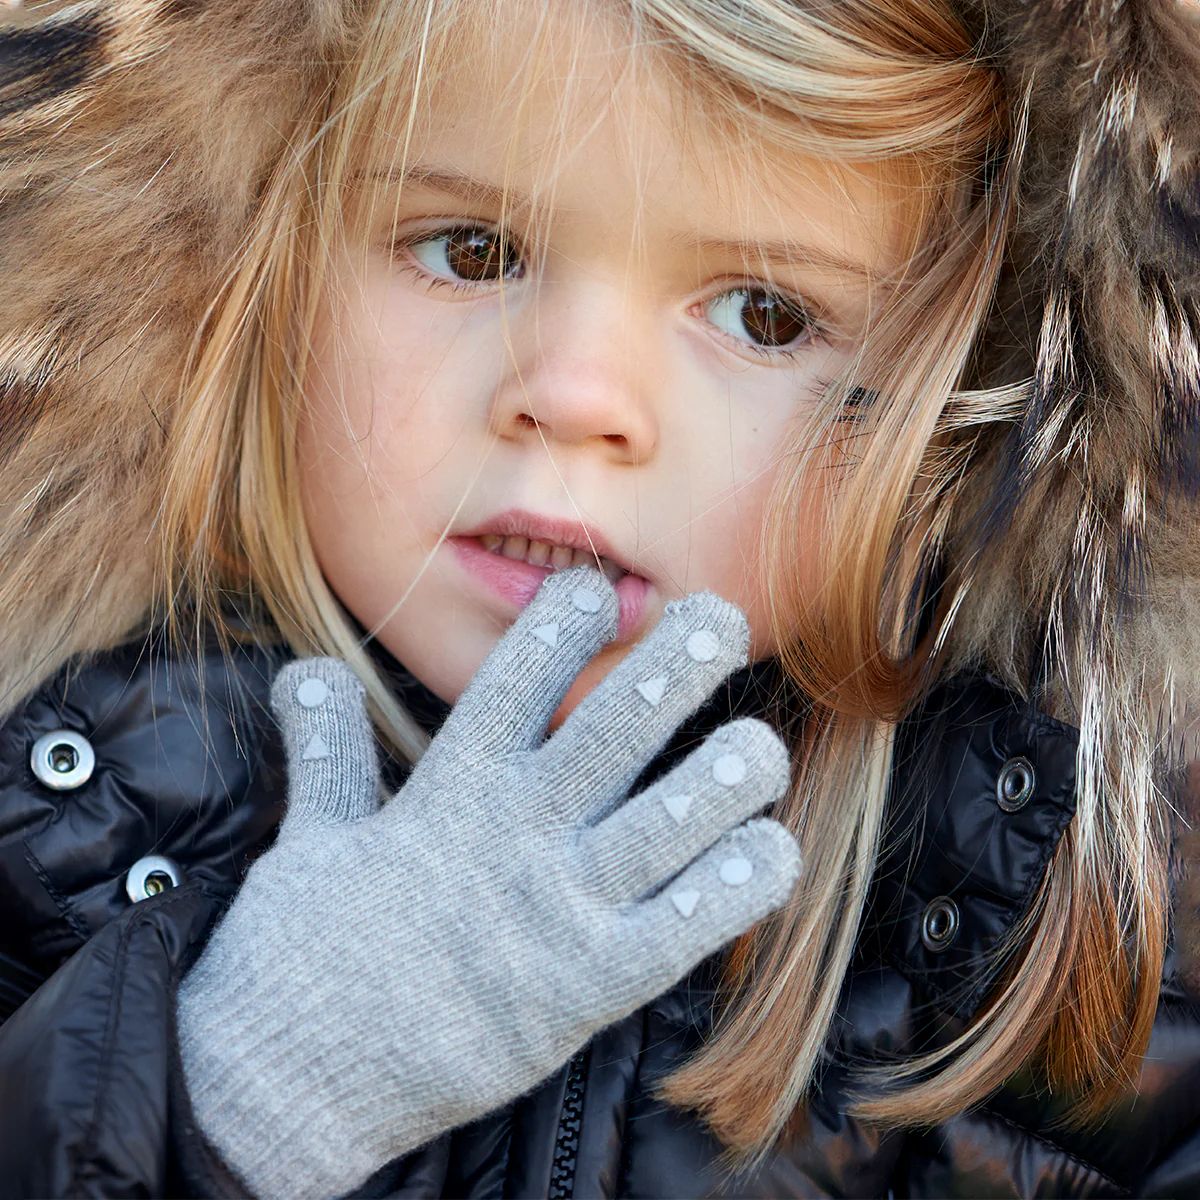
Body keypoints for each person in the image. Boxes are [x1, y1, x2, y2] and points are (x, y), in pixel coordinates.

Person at [0, 0, 1197, 1196]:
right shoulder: (56, 825)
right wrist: (247, 1089)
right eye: (472, 250)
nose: (575, 397)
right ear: (248, 260)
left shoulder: (1075, 929)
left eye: (764, 315)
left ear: (961, 419)